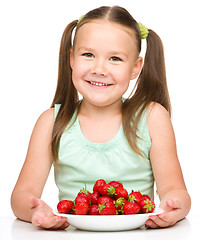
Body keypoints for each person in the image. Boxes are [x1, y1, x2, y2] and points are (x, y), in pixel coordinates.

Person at [11, 5, 191, 230]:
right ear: (72, 59)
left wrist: (174, 207)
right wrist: (35, 210)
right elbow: (21, 195)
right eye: (88, 55)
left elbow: (175, 190)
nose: (99, 68)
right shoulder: (51, 122)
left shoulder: (153, 117)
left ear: (135, 68)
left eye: (115, 58)